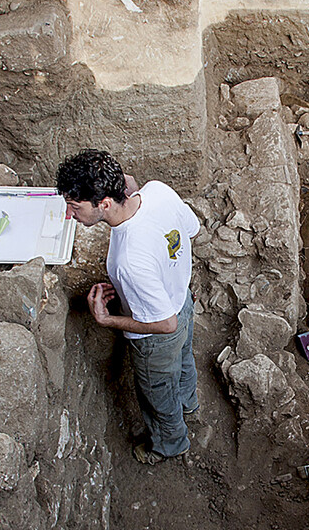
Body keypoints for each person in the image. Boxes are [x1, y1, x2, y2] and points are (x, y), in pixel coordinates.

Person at [56, 149, 201, 465]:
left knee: (158, 396)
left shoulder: (128, 260)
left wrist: (106, 320)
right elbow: (192, 229)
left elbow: (165, 325)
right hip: (183, 301)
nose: (69, 214)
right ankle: (189, 402)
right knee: (184, 360)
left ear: (105, 203)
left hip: (156, 339)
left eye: (75, 206)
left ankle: (170, 444)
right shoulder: (159, 191)